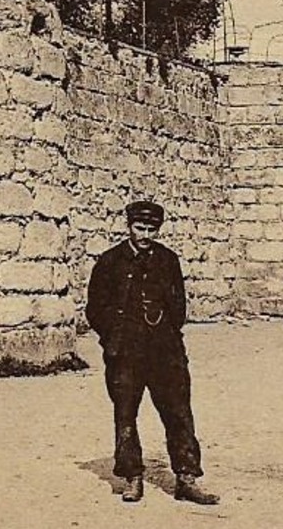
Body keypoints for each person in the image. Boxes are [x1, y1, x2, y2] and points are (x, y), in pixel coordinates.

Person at [85, 200, 219, 505]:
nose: (144, 234)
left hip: (164, 352)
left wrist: (168, 334)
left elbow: (179, 306)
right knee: (126, 416)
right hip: (125, 353)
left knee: (178, 413)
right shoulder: (110, 261)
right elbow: (95, 308)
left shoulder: (168, 260)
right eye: (139, 228)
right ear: (128, 226)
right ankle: (132, 477)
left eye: (151, 229)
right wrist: (113, 335)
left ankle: (187, 478)